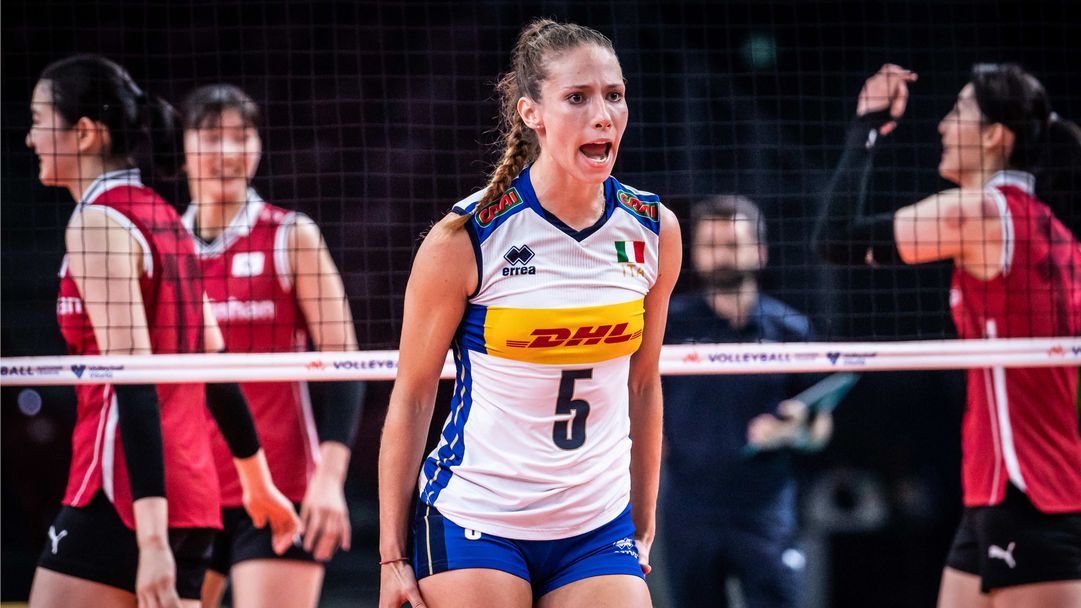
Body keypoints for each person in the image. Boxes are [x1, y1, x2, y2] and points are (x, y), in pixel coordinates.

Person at [377, 18, 681, 608]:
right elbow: (412, 396)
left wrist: (642, 522)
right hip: (478, 514)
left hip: (595, 524)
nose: (603, 116)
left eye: (614, 95)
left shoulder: (652, 229)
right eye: (578, 98)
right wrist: (392, 557)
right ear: (531, 113)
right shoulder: (468, 237)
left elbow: (643, 383)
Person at [23, 54, 299, 608]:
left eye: (38, 121)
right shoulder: (165, 218)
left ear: (84, 133)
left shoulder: (98, 222)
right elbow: (214, 366)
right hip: (191, 500)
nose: (30, 139)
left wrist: (150, 541)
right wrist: (257, 482)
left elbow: (134, 379)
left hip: (121, 494)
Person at [814, 63, 1081, 607]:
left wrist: (867, 126)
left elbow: (836, 240)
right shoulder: (1059, 236)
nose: (941, 125)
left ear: (994, 136)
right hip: (997, 488)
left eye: (958, 111)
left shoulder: (983, 213)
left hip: (1030, 493)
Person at [177, 83, 365, 608]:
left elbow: (346, 365)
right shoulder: (166, 249)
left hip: (282, 485)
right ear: (184, 148)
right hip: (191, 488)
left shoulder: (290, 235)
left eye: (242, 136)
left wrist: (330, 480)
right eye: (212, 137)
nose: (228, 151)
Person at [662, 195, 832, 608]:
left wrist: (793, 431)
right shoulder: (670, 324)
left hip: (766, 509)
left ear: (759, 251)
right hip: (688, 508)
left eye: (732, 244)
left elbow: (820, 429)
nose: (722, 255)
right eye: (711, 245)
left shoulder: (789, 329)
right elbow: (638, 400)